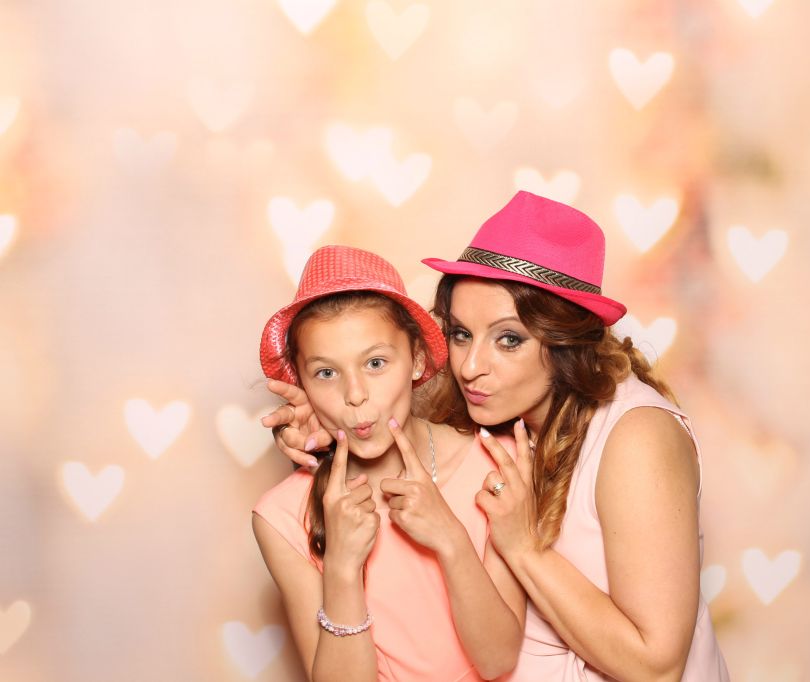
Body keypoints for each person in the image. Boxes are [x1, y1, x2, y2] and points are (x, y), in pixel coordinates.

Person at [265, 192, 730, 680]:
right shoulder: (496, 416)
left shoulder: (637, 438)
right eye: (461, 334)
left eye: (509, 339)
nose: (470, 367)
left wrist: (524, 548)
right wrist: (329, 420)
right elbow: (392, 404)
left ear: (565, 341)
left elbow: (657, 667)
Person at [252, 245, 525, 682]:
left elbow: (498, 660)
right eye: (326, 373)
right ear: (301, 382)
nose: (354, 394)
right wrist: (342, 568)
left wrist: (451, 539)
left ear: (416, 359)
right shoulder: (282, 516)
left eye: (375, 363)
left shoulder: (495, 464)